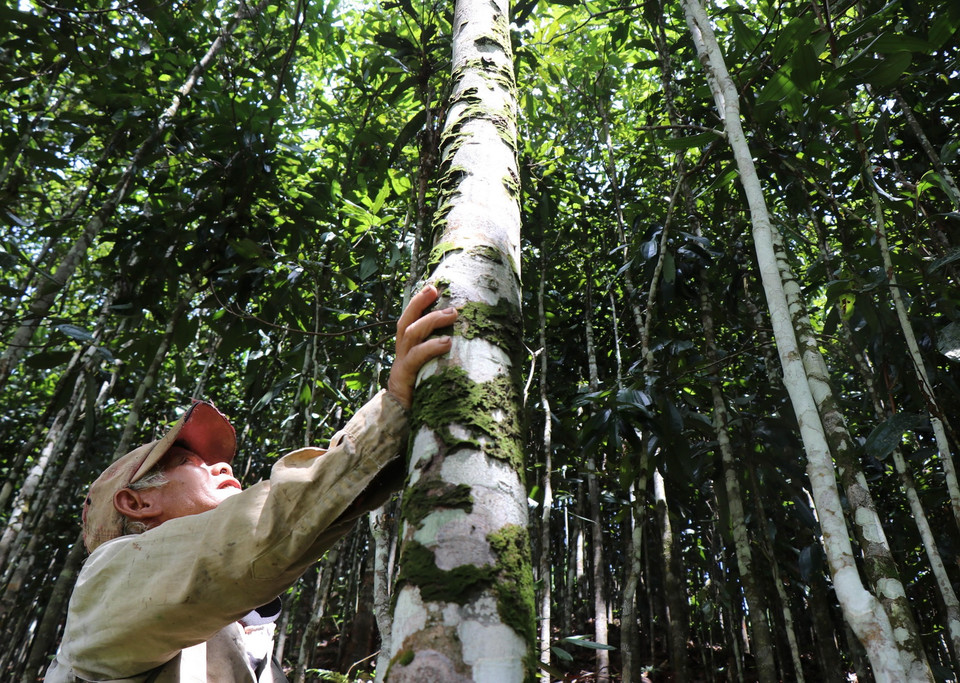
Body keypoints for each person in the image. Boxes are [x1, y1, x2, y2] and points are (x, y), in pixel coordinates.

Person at [45, 285, 457, 682]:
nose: (224, 468)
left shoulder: (236, 629)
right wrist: (392, 410)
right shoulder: (105, 582)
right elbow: (247, 536)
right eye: (191, 462)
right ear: (135, 504)